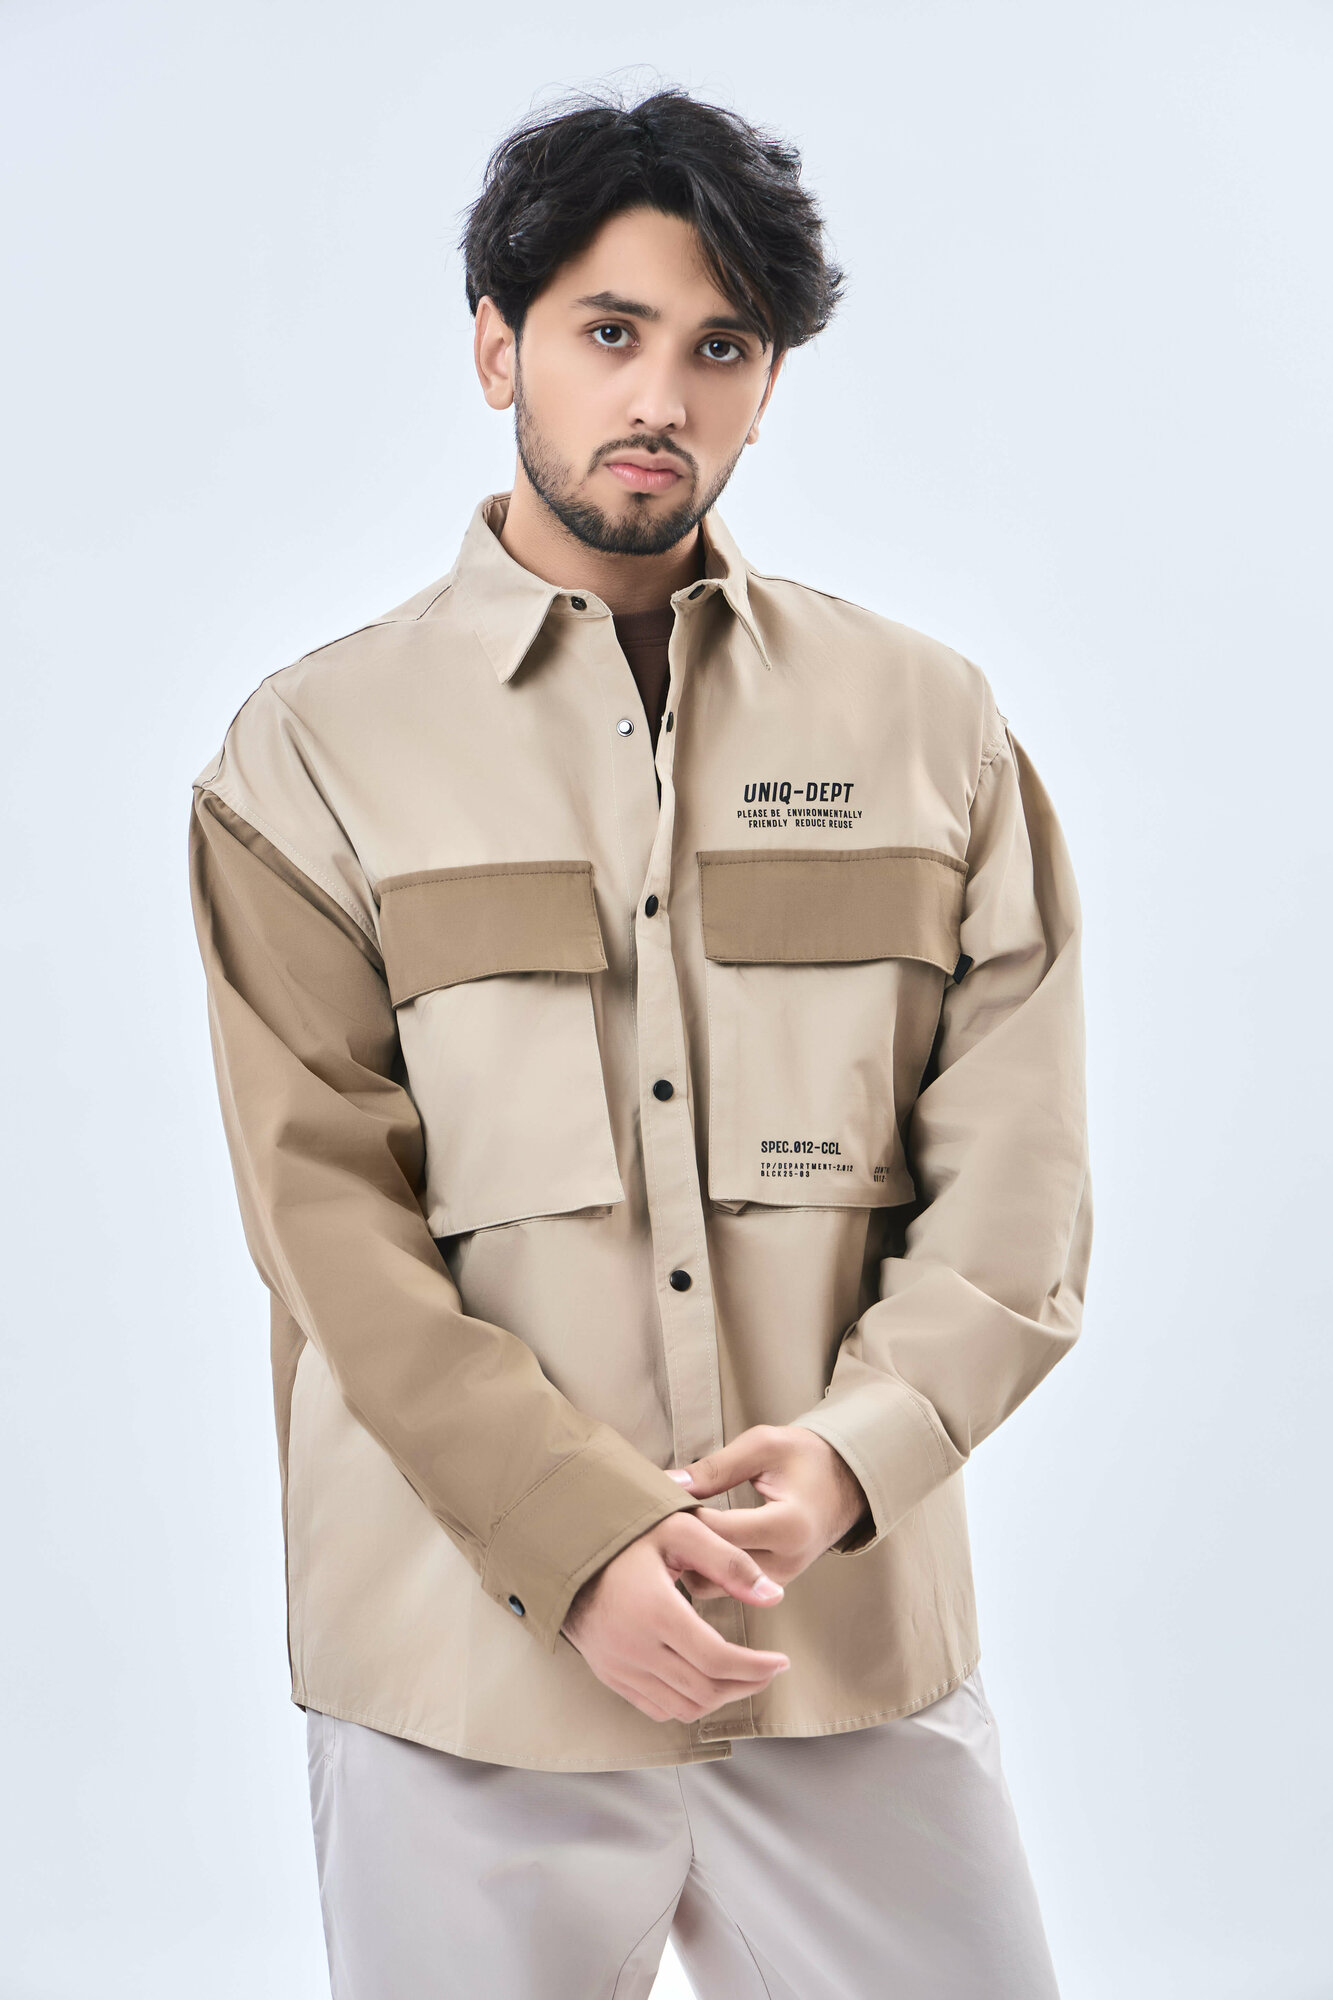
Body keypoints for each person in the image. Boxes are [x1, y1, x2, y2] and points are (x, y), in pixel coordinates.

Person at [187, 82, 1093, 2000]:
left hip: (837, 1652)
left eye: (719, 348)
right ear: (496, 347)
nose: (660, 397)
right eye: (608, 332)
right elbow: (326, 1226)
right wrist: (575, 1540)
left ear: (768, 384)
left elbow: (1017, 1194)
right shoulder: (312, 755)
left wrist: (850, 1459)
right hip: (464, 1682)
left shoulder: (930, 727)